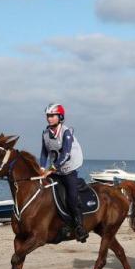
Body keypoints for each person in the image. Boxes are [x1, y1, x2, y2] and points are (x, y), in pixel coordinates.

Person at [39, 103, 88, 243]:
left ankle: (79, 227)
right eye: (48, 116)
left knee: (71, 198)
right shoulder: (45, 134)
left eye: (52, 115)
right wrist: (42, 168)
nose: (49, 118)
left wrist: (51, 169)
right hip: (56, 170)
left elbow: (66, 154)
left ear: (60, 117)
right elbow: (43, 153)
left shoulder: (66, 132)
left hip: (68, 169)